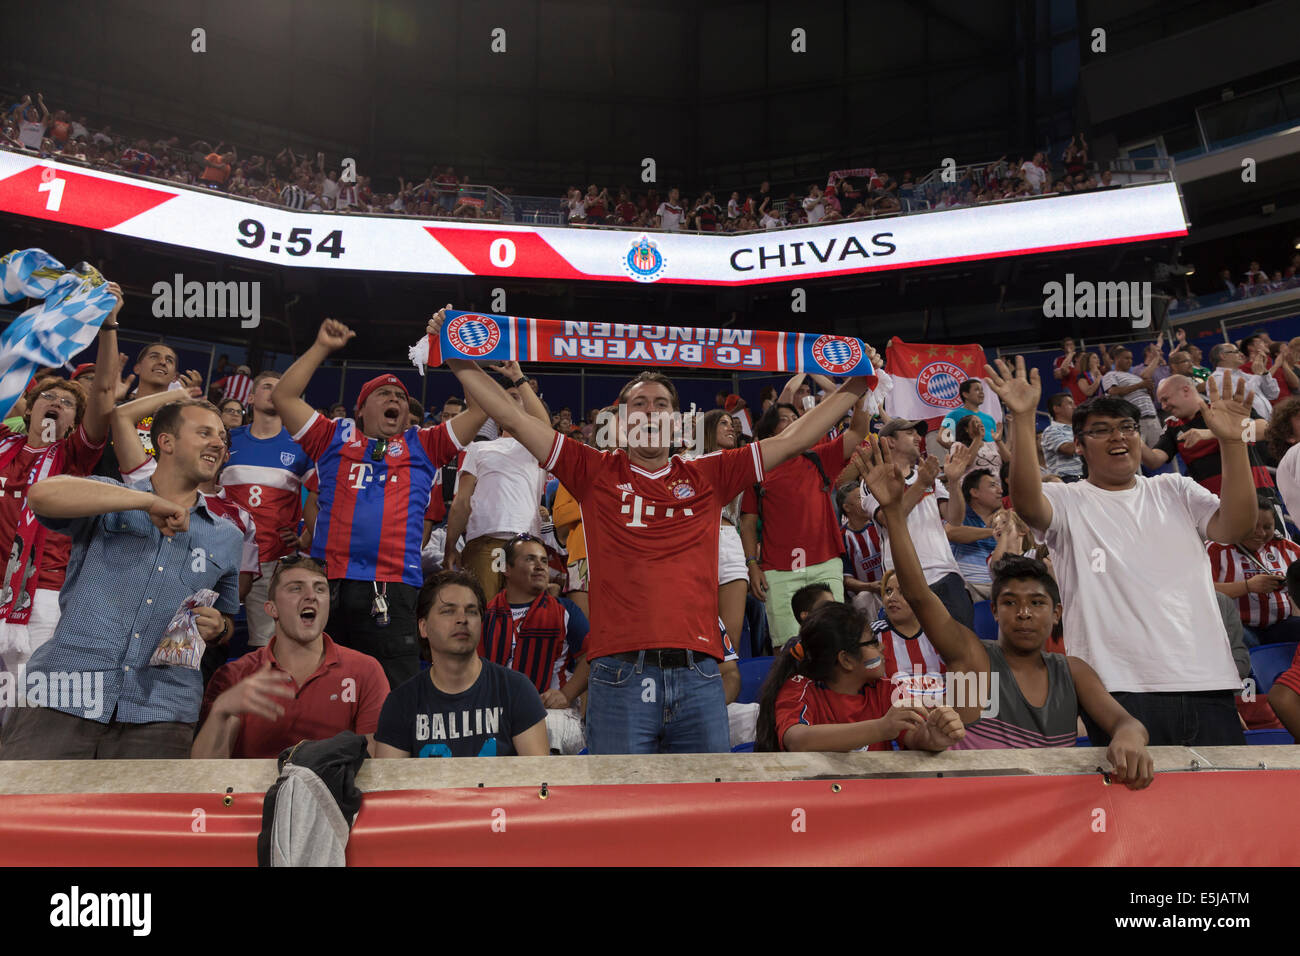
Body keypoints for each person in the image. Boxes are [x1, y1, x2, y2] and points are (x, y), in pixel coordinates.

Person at [436, 306, 880, 754]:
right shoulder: (592, 469)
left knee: (703, 810)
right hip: (618, 674)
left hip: (700, 674)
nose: (650, 411)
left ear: (677, 421)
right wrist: (456, 357)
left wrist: (857, 384)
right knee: (619, 812)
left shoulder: (710, 473)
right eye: (639, 404)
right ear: (621, 419)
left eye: (662, 404)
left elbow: (794, 439)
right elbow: (512, 418)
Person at [985, 356, 1255, 747]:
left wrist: (1233, 442)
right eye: (1101, 430)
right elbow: (1026, 502)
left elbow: (1236, 526)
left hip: (1208, 681)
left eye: (1127, 427)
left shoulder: (1174, 489)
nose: (1118, 437)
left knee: (1222, 807)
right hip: (1118, 691)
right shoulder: (1068, 499)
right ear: (1078, 445)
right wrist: (1024, 418)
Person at [858, 438, 1154, 787]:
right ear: (994, 611)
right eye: (1010, 603)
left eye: (1037, 603)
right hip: (980, 812)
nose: (1024, 613)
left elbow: (1127, 723)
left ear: (1057, 613)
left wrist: (1130, 737)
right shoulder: (974, 660)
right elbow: (920, 596)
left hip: (1047, 817)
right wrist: (893, 514)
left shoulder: (1072, 671)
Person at [0, 400, 241, 760]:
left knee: (139, 820)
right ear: (166, 442)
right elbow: (41, 496)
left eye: (222, 437)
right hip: (63, 692)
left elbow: (226, 620)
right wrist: (145, 503)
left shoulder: (228, 536)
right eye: (205, 432)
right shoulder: (106, 495)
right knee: (21, 814)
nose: (219, 443)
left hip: (161, 712)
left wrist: (219, 627)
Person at [271, 319, 488, 689]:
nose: (395, 400)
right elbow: (284, 398)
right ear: (361, 409)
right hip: (329, 584)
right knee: (322, 689)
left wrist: (453, 346)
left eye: (401, 397)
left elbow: (483, 406)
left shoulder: (424, 444)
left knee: (391, 698)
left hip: (393, 586)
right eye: (384, 394)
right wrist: (321, 347)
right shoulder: (332, 437)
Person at [0, 284, 121, 678]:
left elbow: (103, 393)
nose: (56, 403)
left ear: (73, 423)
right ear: (30, 408)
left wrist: (108, 325)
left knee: (23, 707)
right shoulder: (3, 442)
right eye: (48, 397)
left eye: (68, 402)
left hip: (42, 596)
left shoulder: (73, 457)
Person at [192, 556, 388, 758]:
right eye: (296, 588)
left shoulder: (365, 671)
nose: (311, 596)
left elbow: (375, 768)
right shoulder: (234, 676)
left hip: (335, 788)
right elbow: (205, 776)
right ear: (271, 608)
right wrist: (221, 710)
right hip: (257, 789)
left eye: (320, 589)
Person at [740, 394, 870, 647]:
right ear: (769, 431)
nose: (793, 422)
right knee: (788, 648)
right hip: (778, 570)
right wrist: (752, 564)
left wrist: (862, 394)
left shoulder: (818, 457)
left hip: (825, 562)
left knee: (835, 641)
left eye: (796, 418)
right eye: (784, 419)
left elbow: (858, 432)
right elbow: (747, 523)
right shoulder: (756, 469)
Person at [374, 571, 549, 757]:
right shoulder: (400, 703)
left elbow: (540, 781)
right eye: (448, 611)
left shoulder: (516, 690)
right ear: (423, 627)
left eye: (471, 611)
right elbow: (389, 784)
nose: (462, 619)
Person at [754, 601, 965, 753]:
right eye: (872, 642)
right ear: (846, 660)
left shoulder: (887, 690)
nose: (882, 646)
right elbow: (798, 740)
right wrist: (881, 728)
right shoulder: (800, 688)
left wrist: (933, 737)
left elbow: (914, 737)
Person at [219, 371, 315, 647]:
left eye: (280, 388)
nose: (274, 392)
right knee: (210, 635)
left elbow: (321, 495)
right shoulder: (228, 439)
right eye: (267, 387)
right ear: (250, 398)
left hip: (273, 558)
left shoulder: (300, 447)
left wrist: (306, 535)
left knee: (266, 644)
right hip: (223, 556)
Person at [860, 419, 974, 629]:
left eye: (918, 433)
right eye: (910, 432)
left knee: (963, 651)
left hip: (945, 573)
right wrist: (921, 484)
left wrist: (955, 481)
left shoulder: (929, 476)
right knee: (915, 655)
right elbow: (891, 519)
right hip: (903, 582)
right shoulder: (873, 481)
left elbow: (954, 518)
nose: (918, 438)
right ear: (890, 442)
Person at [443, 385, 550, 601]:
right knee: (484, 616)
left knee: (526, 619)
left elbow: (545, 427)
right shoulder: (477, 449)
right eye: (505, 398)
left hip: (528, 542)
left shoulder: (539, 447)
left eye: (516, 398)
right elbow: (462, 501)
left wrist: (519, 379)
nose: (509, 402)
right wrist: (450, 546)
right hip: (484, 542)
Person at [479, 534, 589, 708]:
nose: (540, 567)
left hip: (550, 713)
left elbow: (591, 656)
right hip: (495, 710)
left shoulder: (565, 610)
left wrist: (566, 695)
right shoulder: (485, 615)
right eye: (530, 559)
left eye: (544, 561)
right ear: (507, 569)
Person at [1144, 374, 1274, 495]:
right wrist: (1135, 441)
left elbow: (1265, 430)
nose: (1164, 406)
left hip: (1258, 493)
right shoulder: (1172, 426)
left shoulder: (1227, 407)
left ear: (1185, 390)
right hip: (1214, 505)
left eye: (1165, 399)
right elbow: (1154, 461)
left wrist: (1213, 433)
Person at [1206, 494, 1300, 646]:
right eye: (1253, 526)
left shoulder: (1288, 548)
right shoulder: (1216, 549)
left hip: (1281, 625)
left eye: (1267, 527)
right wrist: (1248, 586)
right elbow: (1201, 591)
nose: (1261, 533)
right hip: (1239, 628)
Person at [950, 469, 1002, 602]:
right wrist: (993, 532)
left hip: (999, 588)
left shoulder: (1005, 519)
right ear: (974, 492)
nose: (1000, 491)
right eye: (992, 485)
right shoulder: (960, 515)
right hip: (968, 587)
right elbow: (950, 532)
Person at [1099, 348, 1162, 449]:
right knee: (1135, 454)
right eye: (1126, 358)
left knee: (1160, 451)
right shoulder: (1110, 375)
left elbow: (1150, 398)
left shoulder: (1136, 377)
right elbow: (1113, 391)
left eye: (1131, 358)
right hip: (1133, 421)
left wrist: (1149, 389)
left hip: (1152, 418)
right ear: (1116, 359)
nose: (1130, 361)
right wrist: (1140, 385)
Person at [839, 484, 884, 620]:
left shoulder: (880, 523)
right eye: (860, 498)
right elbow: (847, 580)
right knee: (864, 598)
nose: (865, 501)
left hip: (894, 587)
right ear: (847, 507)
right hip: (867, 593)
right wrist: (870, 586)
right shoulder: (842, 537)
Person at [937, 379, 998, 450]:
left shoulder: (990, 419)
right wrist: (964, 452)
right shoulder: (953, 415)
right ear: (965, 394)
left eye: (982, 390)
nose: (982, 393)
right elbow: (941, 438)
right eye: (977, 390)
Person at [1040, 393, 1083, 481]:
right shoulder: (1051, 430)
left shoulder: (1079, 429)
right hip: (1067, 480)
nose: (1075, 407)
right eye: (1070, 403)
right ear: (1056, 409)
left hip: (1087, 478)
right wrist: (1088, 436)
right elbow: (1068, 449)